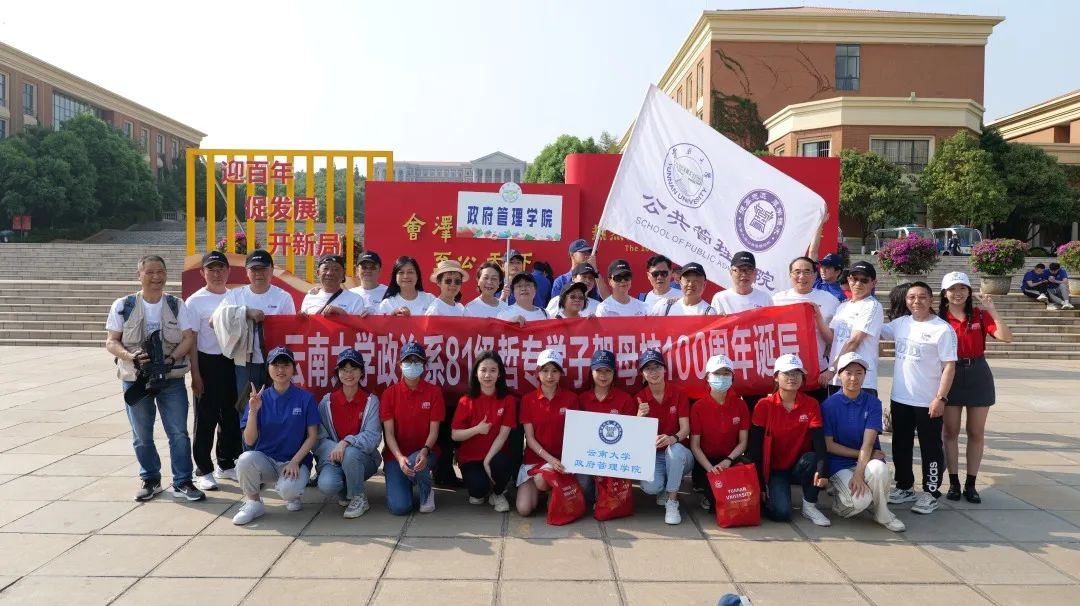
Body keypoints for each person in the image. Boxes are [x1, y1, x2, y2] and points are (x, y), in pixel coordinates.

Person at [105, 254, 204, 502]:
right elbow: (111, 341)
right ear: (139, 275)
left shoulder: (176, 305)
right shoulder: (123, 305)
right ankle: (150, 479)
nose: (156, 277)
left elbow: (188, 338)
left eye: (160, 272)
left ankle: (183, 481)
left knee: (178, 432)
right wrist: (131, 356)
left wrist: (171, 359)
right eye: (150, 272)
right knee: (141, 434)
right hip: (136, 379)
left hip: (171, 377)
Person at [881, 281, 957, 515]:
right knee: (900, 445)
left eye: (922, 297)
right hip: (901, 398)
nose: (916, 301)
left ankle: (931, 492)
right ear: (906, 300)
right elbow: (876, 330)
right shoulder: (901, 324)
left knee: (930, 447)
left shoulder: (942, 329)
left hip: (928, 401)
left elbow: (949, 367)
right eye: (911, 297)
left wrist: (941, 398)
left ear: (931, 300)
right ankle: (904, 486)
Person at [939, 272, 1012, 504]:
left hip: (978, 372)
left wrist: (992, 310)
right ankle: (953, 482)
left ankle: (970, 484)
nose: (958, 293)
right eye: (952, 289)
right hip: (949, 374)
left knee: (976, 432)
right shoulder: (938, 318)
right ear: (944, 293)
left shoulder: (980, 315)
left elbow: (1006, 337)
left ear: (970, 291)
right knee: (950, 432)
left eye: (963, 288)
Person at [232, 346, 320, 525]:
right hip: (267, 460)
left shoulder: (305, 398)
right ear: (268, 368)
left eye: (286, 365)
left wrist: (295, 461)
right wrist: (253, 411)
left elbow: (312, 436)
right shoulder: (259, 398)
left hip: (295, 462)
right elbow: (249, 440)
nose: (281, 370)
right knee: (244, 460)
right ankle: (254, 502)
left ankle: (294, 495)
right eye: (276, 365)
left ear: (293, 369)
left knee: (288, 491)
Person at [821, 352, 906, 532]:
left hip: (866, 460)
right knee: (860, 502)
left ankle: (883, 513)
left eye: (859, 373)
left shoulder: (873, 403)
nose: (854, 378)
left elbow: (868, 443)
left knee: (879, 470)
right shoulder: (829, 406)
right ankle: (839, 502)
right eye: (848, 373)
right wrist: (863, 458)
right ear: (839, 375)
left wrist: (859, 473)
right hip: (840, 464)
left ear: (865, 375)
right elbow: (829, 445)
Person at [749, 353, 830, 526]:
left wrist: (823, 469)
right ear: (776, 377)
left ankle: (809, 505)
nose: (792, 377)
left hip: (799, 466)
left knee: (814, 459)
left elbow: (819, 442)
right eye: (786, 373)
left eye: (796, 373)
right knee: (781, 513)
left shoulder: (811, 404)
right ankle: (770, 498)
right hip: (774, 470)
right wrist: (760, 483)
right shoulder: (764, 405)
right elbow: (755, 448)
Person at [186, 251, 242, 492]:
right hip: (206, 363)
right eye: (211, 269)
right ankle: (203, 469)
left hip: (232, 362)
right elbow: (191, 340)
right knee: (205, 418)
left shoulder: (235, 296)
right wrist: (195, 374)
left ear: (228, 271)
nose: (217, 274)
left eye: (221, 269)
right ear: (202, 273)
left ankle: (226, 463)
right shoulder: (195, 301)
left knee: (230, 416)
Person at [315, 348, 382, 519]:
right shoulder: (327, 402)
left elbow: (373, 436)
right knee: (327, 484)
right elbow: (319, 438)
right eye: (344, 370)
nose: (349, 374)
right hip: (333, 458)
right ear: (338, 373)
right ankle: (346, 489)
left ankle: (359, 497)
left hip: (363, 459)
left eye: (354, 369)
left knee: (350, 453)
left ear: (362, 372)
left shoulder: (371, 401)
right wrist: (335, 450)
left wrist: (345, 443)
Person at [380, 342, 443, 515]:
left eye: (417, 361)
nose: (412, 365)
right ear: (400, 365)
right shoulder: (389, 394)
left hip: (425, 453)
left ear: (424, 365)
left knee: (417, 460)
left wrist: (425, 450)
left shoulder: (434, 392)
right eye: (408, 361)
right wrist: (400, 458)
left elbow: (434, 431)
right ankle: (407, 479)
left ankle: (426, 491)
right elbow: (389, 434)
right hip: (396, 456)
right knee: (400, 508)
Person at [516, 348, 580, 517]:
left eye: (554, 371)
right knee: (524, 509)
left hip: (562, 463)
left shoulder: (571, 399)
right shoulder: (528, 399)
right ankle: (546, 490)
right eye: (545, 370)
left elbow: (576, 435)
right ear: (538, 373)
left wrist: (563, 461)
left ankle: (551, 490)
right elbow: (530, 439)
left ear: (560, 374)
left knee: (542, 481)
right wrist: (550, 460)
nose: (550, 376)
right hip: (535, 460)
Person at [222, 249, 296, 394]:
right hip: (246, 362)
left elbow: (292, 331)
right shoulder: (235, 295)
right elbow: (214, 320)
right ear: (247, 271)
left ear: (272, 270)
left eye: (263, 269)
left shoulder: (283, 297)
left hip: (276, 362)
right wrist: (246, 312)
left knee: (276, 400)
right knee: (247, 402)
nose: (258, 273)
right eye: (254, 269)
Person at [452, 350, 516, 513]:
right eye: (483, 370)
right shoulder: (466, 401)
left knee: (503, 463)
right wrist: (477, 430)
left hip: (495, 455)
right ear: (476, 373)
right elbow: (455, 434)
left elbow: (503, 435)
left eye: (493, 370)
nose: (488, 375)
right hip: (471, 458)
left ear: (499, 374)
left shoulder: (508, 400)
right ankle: (486, 486)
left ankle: (498, 493)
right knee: (477, 494)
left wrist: (487, 460)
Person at [635, 349, 693, 525]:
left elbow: (685, 429)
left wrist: (672, 439)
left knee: (674, 451)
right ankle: (666, 487)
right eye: (648, 368)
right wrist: (639, 417)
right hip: (654, 456)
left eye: (657, 367)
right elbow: (634, 436)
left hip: (680, 453)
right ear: (642, 374)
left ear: (665, 369)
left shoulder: (678, 393)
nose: (653, 372)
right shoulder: (639, 398)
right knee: (650, 487)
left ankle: (672, 501)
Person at [773, 256, 839, 401]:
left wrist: (818, 317)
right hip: (786, 372)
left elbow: (832, 339)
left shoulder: (830, 300)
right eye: (797, 272)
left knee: (815, 411)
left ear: (815, 275)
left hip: (817, 371)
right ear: (790, 275)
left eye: (807, 272)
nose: (802, 276)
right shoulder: (776, 300)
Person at [689, 354, 750, 512]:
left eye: (726, 373)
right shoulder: (698, 407)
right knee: (717, 502)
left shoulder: (740, 405)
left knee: (740, 499)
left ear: (732, 377)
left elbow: (743, 442)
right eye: (717, 373)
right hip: (706, 462)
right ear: (707, 377)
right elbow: (695, 445)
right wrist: (710, 468)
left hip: (731, 459)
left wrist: (728, 460)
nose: (722, 377)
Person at [577, 349, 636, 501]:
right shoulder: (581, 399)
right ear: (591, 372)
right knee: (583, 485)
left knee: (609, 495)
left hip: (614, 456)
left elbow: (630, 434)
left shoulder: (625, 399)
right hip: (588, 454)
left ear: (614, 372)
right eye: (599, 370)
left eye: (608, 370)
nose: (603, 375)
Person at [820, 261, 884, 396]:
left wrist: (832, 369)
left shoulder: (872, 306)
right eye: (854, 279)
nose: (858, 284)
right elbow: (831, 338)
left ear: (873, 283)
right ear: (849, 279)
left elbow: (854, 341)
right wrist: (817, 318)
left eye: (864, 280)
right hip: (838, 379)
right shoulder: (843, 306)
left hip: (860, 381)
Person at [300, 254, 368, 316]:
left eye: (336, 269)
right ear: (318, 273)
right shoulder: (309, 297)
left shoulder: (355, 299)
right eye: (326, 268)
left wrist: (342, 314)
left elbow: (359, 325)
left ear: (343, 274)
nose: (329, 273)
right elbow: (305, 324)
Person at [647, 262, 718, 316]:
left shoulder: (709, 313)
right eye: (687, 280)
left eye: (696, 281)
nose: (690, 284)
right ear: (680, 282)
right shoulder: (665, 306)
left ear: (704, 284)